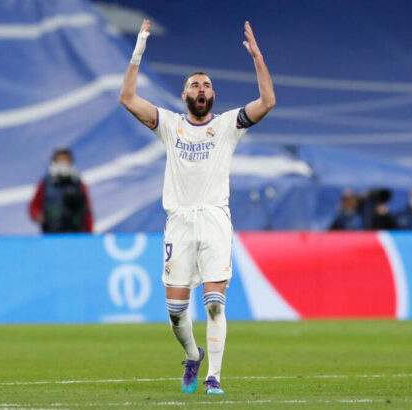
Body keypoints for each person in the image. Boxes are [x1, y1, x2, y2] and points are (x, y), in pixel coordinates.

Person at [120, 20, 275, 394]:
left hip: (214, 220)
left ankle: (214, 377)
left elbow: (267, 102)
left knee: (214, 304)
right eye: (194, 84)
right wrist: (138, 49)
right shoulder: (169, 125)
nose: (201, 88)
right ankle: (193, 354)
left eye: (206, 84)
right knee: (176, 314)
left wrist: (257, 58)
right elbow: (127, 98)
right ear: (184, 94)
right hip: (180, 223)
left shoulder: (226, 126)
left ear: (213, 94)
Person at [29, 148, 93, 233]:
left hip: (76, 233)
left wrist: (89, 232)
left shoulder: (78, 184)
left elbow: (87, 210)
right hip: (52, 233)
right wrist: (39, 216)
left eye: (65, 159)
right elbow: (34, 207)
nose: (63, 162)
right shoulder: (46, 184)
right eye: (60, 159)